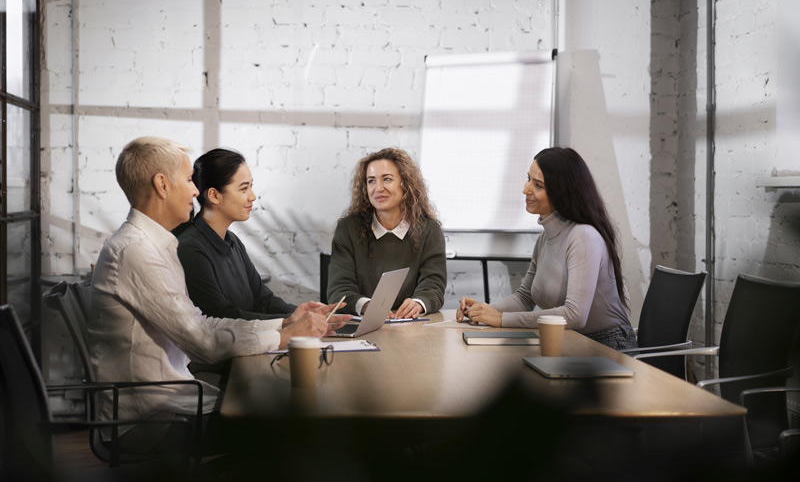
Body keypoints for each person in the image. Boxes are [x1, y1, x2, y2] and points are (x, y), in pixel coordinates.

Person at [87, 136, 347, 453]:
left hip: (173, 402)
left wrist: (285, 326)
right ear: (162, 185)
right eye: (187, 180)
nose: (195, 191)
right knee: (292, 422)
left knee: (289, 410)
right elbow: (206, 344)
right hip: (152, 421)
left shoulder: (155, 245)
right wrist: (285, 335)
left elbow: (205, 324)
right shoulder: (137, 252)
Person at [456, 147, 637, 351]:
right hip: (572, 342)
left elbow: (575, 315)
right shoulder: (545, 238)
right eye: (528, 179)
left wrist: (502, 319)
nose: (526, 189)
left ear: (562, 192)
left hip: (608, 346)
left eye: (538, 185)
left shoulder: (584, 236)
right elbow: (525, 298)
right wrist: (483, 310)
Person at [176, 148, 321, 321]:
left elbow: (263, 300)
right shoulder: (190, 249)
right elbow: (222, 316)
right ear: (214, 195)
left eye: (251, 186)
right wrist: (287, 322)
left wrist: (303, 313)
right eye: (244, 188)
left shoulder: (232, 241)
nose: (252, 197)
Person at [327, 147, 447, 318]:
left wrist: (419, 303)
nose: (378, 188)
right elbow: (338, 290)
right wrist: (367, 306)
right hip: (362, 325)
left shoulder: (429, 230)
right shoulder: (348, 229)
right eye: (371, 181)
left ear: (406, 183)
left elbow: (433, 285)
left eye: (387, 179)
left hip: (411, 327)